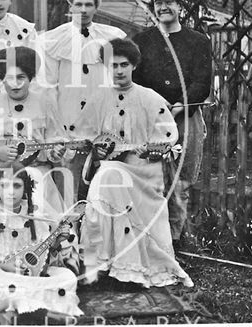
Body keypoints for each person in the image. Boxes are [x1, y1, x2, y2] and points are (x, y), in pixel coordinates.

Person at [74, 37, 193, 288]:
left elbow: (168, 140)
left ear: (134, 66)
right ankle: (101, 264)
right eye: (113, 65)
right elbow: (83, 136)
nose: (118, 71)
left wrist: (152, 151)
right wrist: (97, 151)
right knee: (109, 176)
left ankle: (129, 269)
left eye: (124, 65)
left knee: (110, 178)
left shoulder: (150, 99)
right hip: (110, 170)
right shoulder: (98, 98)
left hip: (142, 173)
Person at [132, 0, 212, 249]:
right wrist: (155, 104)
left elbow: (202, 81)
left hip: (185, 117)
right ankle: (149, 239)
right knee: (150, 176)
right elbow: (136, 80)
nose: (163, 7)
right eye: (158, 3)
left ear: (179, 5)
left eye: (169, 2)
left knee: (181, 180)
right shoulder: (142, 41)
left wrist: (179, 104)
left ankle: (174, 242)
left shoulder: (198, 42)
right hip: (150, 119)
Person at [0, 162, 83, 324]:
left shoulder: (35, 215)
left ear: (26, 187)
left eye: (17, 186)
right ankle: (36, 309)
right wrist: (7, 267)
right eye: (4, 186)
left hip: (27, 275)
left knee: (67, 278)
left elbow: (41, 260)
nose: (11, 192)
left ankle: (15, 309)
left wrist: (55, 243)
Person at [41, 0, 127, 201]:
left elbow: (115, 82)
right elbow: (48, 87)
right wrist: (56, 131)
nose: (83, 9)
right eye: (78, 4)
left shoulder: (109, 38)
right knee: (68, 191)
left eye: (88, 4)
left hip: (99, 123)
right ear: (71, 7)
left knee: (100, 192)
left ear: (96, 7)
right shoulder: (55, 39)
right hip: (67, 121)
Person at [0, 46, 76, 220]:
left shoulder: (45, 103)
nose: (15, 84)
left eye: (21, 78)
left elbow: (55, 139)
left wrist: (57, 151)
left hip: (37, 172)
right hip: (3, 174)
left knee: (42, 212)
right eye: (9, 78)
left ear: (30, 79)